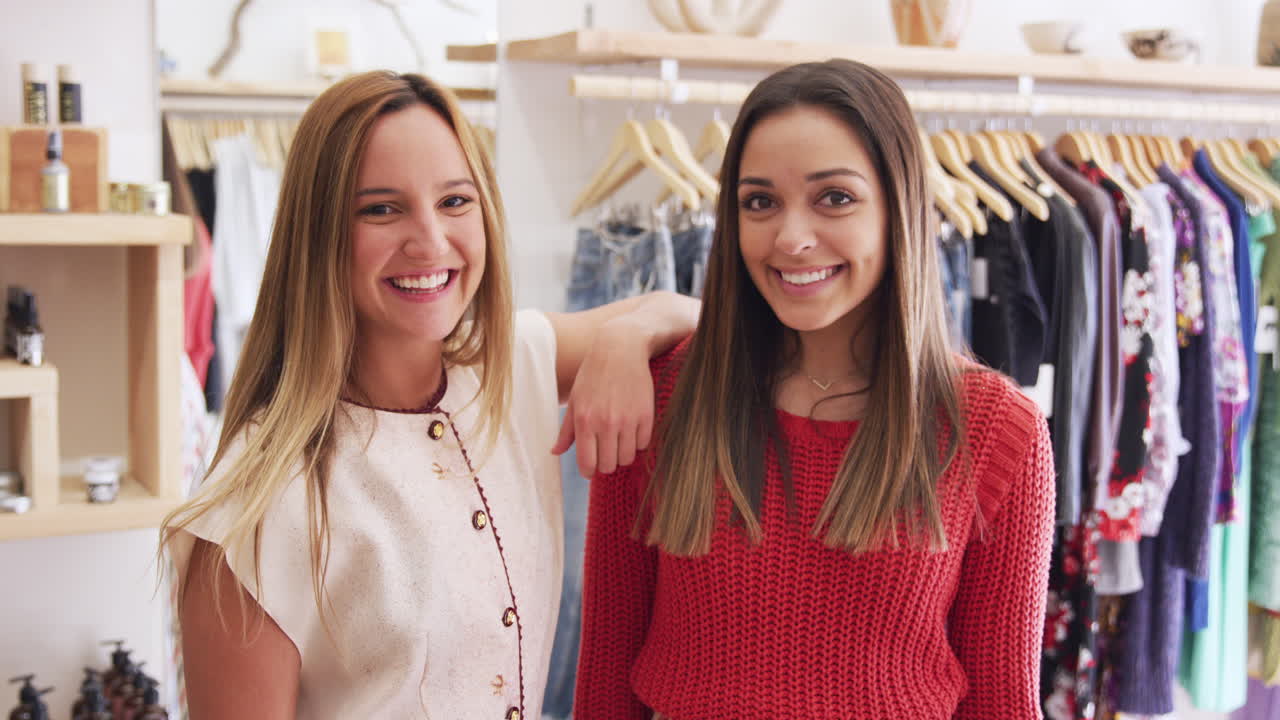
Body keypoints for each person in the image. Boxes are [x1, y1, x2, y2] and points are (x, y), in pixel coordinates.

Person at [161, 71, 698, 720]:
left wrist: (625, 337)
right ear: (319, 231)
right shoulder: (251, 520)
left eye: (454, 202)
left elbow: (690, 312)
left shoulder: (510, 369)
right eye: (382, 208)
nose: (431, 242)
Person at [575, 59, 1056, 719]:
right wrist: (621, 336)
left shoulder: (997, 428)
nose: (792, 238)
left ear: (898, 208)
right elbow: (603, 686)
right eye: (760, 201)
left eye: (834, 197)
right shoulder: (661, 398)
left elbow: (1003, 705)